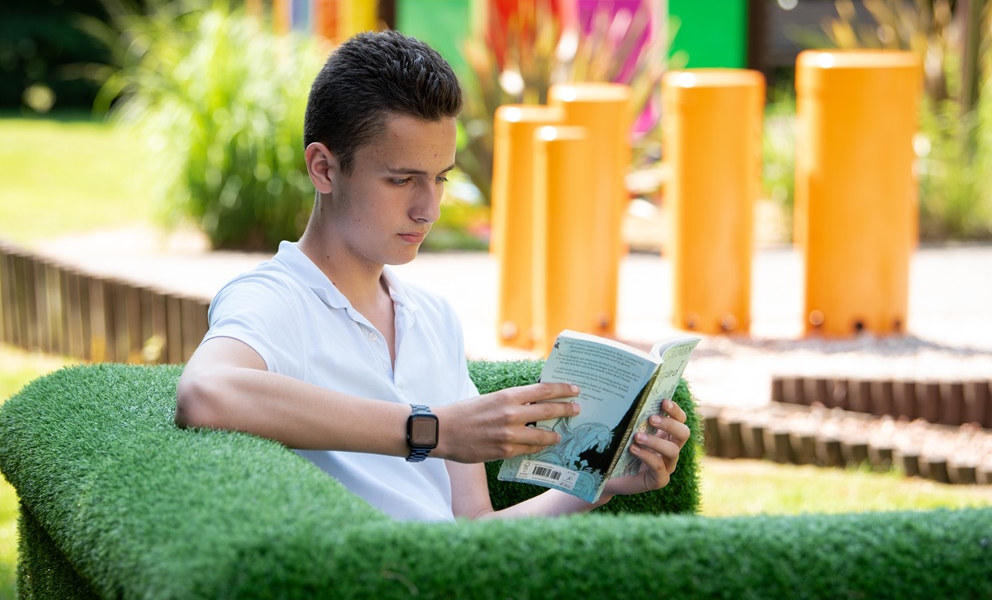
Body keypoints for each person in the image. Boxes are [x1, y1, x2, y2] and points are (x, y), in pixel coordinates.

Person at [175, 29, 690, 521]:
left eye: (440, 179)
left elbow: (473, 528)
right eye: (402, 180)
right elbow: (205, 392)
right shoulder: (274, 298)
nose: (430, 209)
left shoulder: (434, 318)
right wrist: (433, 429)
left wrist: (598, 484)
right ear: (324, 169)